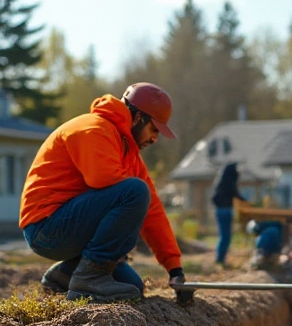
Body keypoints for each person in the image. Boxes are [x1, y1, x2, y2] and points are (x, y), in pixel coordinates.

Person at [19, 82, 193, 305]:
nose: (155, 139)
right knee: (135, 191)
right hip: (46, 228)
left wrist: (175, 269)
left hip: (69, 226)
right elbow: (102, 179)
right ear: (139, 116)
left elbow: (153, 211)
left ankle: (64, 276)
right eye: (154, 129)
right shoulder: (93, 128)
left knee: (133, 287)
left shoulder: (128, 153)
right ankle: (89, 278)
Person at [211, 162, 247, 266]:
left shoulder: (221, 182)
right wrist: (246, 201)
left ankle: (220, 257)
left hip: (220, 211)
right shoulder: (228, 182)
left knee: (223, 236)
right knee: (225, 236)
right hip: (225, 211)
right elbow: (235, 194)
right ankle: (220, 258)